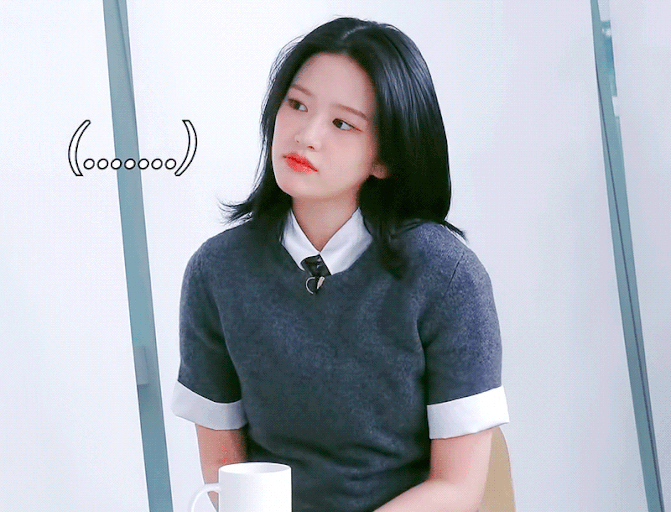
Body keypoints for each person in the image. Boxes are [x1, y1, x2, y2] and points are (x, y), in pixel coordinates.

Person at [172, 16, 509, 512]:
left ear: (385, 158)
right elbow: (227, 476)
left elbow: (458, 489)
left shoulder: (447, 275)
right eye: (297, 104)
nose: (306, 135)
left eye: (342, 123)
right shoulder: (217, 271)